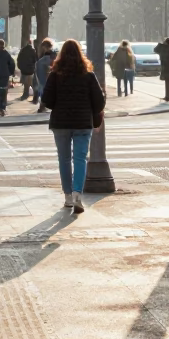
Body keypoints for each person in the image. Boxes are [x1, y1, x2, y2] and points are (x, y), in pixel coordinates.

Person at [41, 39, 105, 212]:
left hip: (60, 123)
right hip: (82, 123)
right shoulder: (88, 75)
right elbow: (99, 102)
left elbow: (46, 100)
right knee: (80, 159)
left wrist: (59, 104)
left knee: (64, 159)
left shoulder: (55, 75)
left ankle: (68, 196)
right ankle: (78, 194)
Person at [35, 39, 55, 113]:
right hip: (43, 74)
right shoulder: (45, 54)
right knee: (42, 89)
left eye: (45, 47)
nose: (44, 48)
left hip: (46, 74)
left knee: (43, 89)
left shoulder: (51, 54)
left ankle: (43, 105)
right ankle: (43, 105)